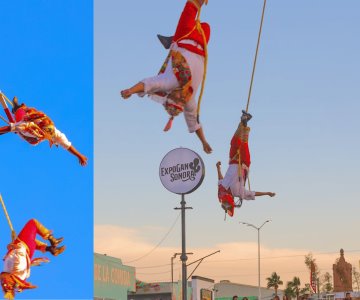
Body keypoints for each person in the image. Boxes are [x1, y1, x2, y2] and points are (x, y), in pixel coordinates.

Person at [120, 0, 212, 154]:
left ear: (170, 96)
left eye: (174, 99)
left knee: (192, 7)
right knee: (206, 27)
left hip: (184, 38)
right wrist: (204, 142)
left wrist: (130, 90)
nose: (179, 99)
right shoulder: (188, 99)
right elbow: (194, 122)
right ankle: (169, 40)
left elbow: (148, 83)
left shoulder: (169, 83)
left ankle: (171, 40)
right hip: (201, 45)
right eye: (179, 102)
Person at [217, 111, 276, 217]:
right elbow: (253, 193)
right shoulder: (238, 193)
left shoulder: (222, 189)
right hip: (244, 165)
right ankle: (244, 122)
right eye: (228, 204)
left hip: (233, 161)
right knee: (243, 142)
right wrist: (267, 193)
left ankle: (244, 120)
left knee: (234, 141)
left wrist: (218, 168)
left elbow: (220, 179)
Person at [0, 96, 88, 166]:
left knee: (20, 125)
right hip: (31, 123)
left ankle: (17, 109)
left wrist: (79, 156)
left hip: (30, 135)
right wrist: (79, 156)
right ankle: (17, 107)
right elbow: (68, 145)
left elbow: (68, 145)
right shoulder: (43, 123)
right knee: (24, 117)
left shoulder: (31, 128)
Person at [0, 219, 65, 299]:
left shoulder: (20, 277)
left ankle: (51, 249)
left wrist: (14, 243)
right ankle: (52, 239)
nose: (2, 279)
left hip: (28, 251)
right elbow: (18, 253)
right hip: (23, 246)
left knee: (32, 239)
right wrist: (14, 244)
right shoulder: (15, 268)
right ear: (11, 278)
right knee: (33, 223)